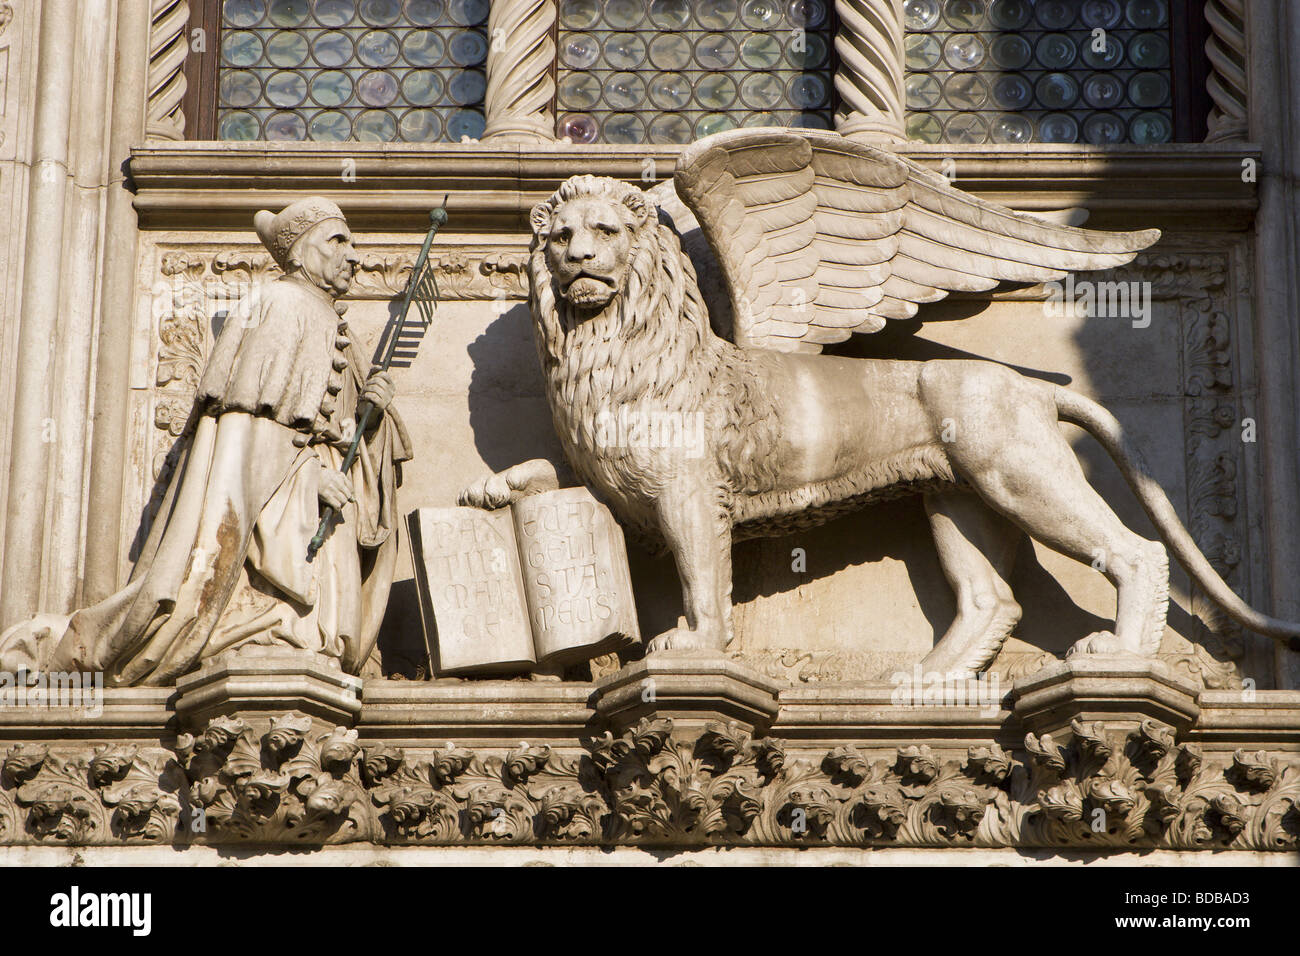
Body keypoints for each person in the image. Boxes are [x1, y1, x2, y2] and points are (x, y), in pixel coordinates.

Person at [0, 198, 411, 685]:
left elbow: (341, 435)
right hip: (286, 508)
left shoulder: (333, 323)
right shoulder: (279, 305)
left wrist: (374, 416)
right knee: (270, 626)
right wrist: (309, 481)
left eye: (355, 243)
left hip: (320, 510)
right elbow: (247, 436)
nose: (354, 255)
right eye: (338, 241)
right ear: (300, 253)